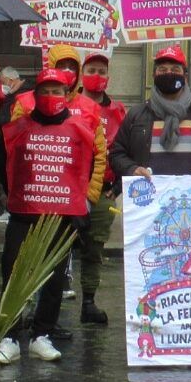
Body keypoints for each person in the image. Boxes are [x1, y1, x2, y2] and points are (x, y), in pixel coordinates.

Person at [0, 69, 106, 364]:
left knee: (55, 277)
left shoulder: (82, 128)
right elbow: (4, 163)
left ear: (67, 95)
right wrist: (15, 194)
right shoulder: (18, 128)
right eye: (45, 91)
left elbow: (92, 165)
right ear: (35, 95)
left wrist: (83, 203)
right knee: (12, 272)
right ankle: (10, 336)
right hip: (23, 212)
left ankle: (42, 334)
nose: (51, 97)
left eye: (57, 91)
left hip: (61, 215)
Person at [110, 45, 191, 181]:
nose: (169, 74)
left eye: (175, 70)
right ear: (154, 75)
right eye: (163, 70)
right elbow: (117, 154)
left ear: (185, 76)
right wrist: (132, 169)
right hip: (150, 197)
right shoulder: (136, 115)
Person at [73, 51, 127, 325]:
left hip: (103, 193)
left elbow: (126, 149)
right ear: (83, 74)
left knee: (94, 248)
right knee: (57, 247)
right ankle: (46, 308)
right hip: (69, 191)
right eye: (91, 70)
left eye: (102, 71)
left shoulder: (118, 111)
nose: (97, 76)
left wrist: (117, 184)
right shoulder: (69, 104)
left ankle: (89, 302)